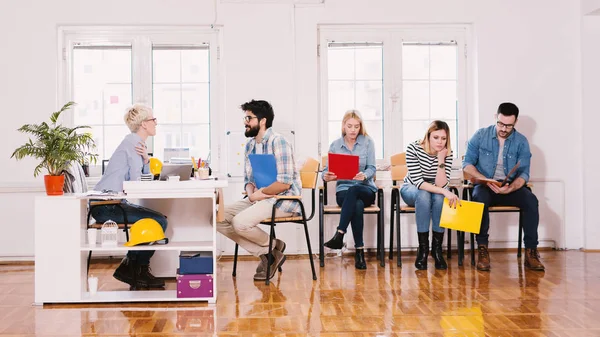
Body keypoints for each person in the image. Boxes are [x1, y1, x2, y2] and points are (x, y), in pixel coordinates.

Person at [217, 99, 302, 281]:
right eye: (245, 118)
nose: (245, 122)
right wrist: (251, 193)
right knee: (218, 218)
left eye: (249, 118)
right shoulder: (250, 146)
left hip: (284, 200)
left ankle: (270, 253)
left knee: (239, 223)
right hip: (260, 198)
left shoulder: (279, 142)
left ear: (262, 121)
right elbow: (248, 179)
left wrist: (259, 194)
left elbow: (285, 183)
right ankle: (271, 251)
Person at [90, 103, 168, 288]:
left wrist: (147, 160)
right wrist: (145, 162)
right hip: (106, 206)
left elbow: (139, 179)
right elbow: (137, 184)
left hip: (111, 203)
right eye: (153, 119)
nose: (156, 123)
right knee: (160, 222)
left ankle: (132, 269)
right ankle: (134, 270)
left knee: (160, 219)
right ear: (144, 124)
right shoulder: (133, 144)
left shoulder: (134, 143)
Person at [463, 102, 544, 271]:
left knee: (531, 200)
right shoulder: (480, 136)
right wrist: (485, 179)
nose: (504, 129)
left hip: (509, 187)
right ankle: (483, 249)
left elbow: (524, 174)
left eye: (508, 126)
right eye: (500, 124)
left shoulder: (521, 141)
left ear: (515, 123)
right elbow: (467, 165)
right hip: (485, 185)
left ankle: (531, 251)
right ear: (495, 117)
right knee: (479, 199)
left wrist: (511, 188)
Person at [322, 110, 378, 270]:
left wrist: (364, 175)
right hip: (344, 191)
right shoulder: (335, 145)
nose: (353, 130)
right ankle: (359, 252)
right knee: (356, 204)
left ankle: (340, 234)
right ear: (343, 126)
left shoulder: (368, 142)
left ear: (361, 127)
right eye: (350, 126)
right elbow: (327, 170)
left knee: (356, 191)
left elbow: (372, 168)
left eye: (356, 126)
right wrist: (327, 176)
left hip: (365, 188)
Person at [400, 120, 459, 270]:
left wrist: (441, 160)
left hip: (434, 191)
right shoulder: (413, 148)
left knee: (439, 197)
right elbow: (419, 182)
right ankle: (423, 250)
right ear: (428, 136)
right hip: (411, 189)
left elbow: (440, 185)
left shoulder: (447, 153)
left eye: (444, 138)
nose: (440, 142)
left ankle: (437, 250)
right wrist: (445, 191)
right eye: (436, 137)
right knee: (424, 194)